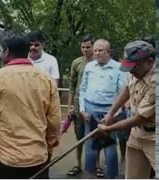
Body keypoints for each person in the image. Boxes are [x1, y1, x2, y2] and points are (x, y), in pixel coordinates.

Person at [0, 31, 61, 179]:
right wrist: (49, 147)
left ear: (5, 51)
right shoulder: (47, 80)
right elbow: (54, 121)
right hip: (38, 157)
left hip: (5, 160)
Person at [98, 40, 156, 179]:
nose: (131, 71)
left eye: (134, 67)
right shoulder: (134, 71)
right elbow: (126, 89)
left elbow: (140, 118)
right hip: (137, 134)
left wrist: (109, 129)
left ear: (149, 62)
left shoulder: (156, 83)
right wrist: (110, 114)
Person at [79, 39, 125, 178]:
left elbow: (123, 94)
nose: (97, 53)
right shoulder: (89, 67)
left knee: (110, 148)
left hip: (110, 112)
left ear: (108, 52)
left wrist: (114, 115)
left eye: (100, 50)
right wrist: (82, 109)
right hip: (90, 110)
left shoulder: (119, 68)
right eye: (95, 51)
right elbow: (82, 89)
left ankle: (111, 176)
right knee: (90, 148)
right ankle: (89, 175)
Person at [66, 34, 94, 176]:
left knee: (96, 135)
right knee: (79, 136)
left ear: (93, 47)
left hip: (94, 103)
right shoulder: (76, 62)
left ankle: (96, 165)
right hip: (78, 103)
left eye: (88, 47)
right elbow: (71, 85)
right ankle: (78, 164)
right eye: (83, 47)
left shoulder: (99, 62)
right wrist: (69, 106)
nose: (85, 50)